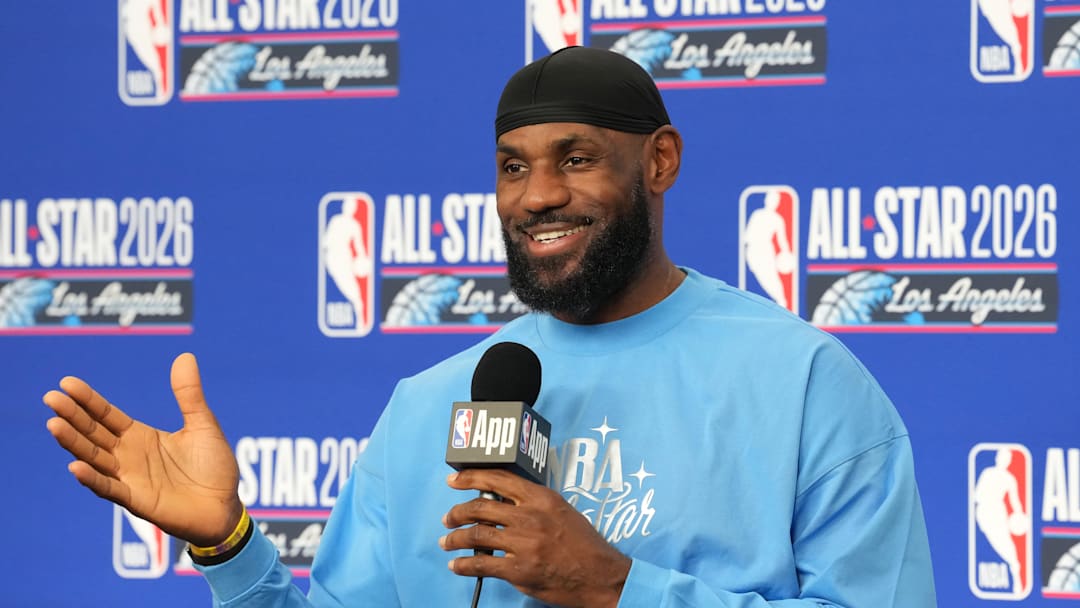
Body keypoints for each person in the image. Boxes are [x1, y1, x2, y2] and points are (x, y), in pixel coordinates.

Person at [43, 47, 936, 607]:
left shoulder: (804, 380)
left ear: (660, 161)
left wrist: (615, 587)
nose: (538, 195)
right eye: (513, 168)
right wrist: (226, 544)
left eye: (576, 159)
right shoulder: (432, 403)